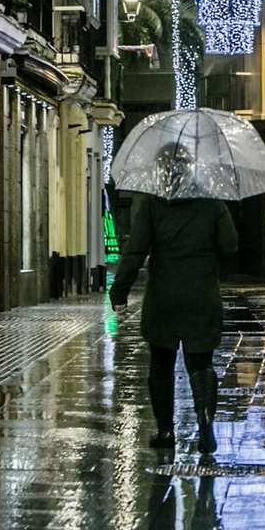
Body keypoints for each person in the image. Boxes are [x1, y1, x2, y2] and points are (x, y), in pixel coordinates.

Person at [109, 142, 239, 455]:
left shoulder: (153, 205)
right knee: (201, 362)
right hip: (202, 295)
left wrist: (119, 291)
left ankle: (166, 431)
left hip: (163, 297)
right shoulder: (212, 202)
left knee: (161, 363)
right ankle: (205, 425)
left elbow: (135, 251)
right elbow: (230, 245)